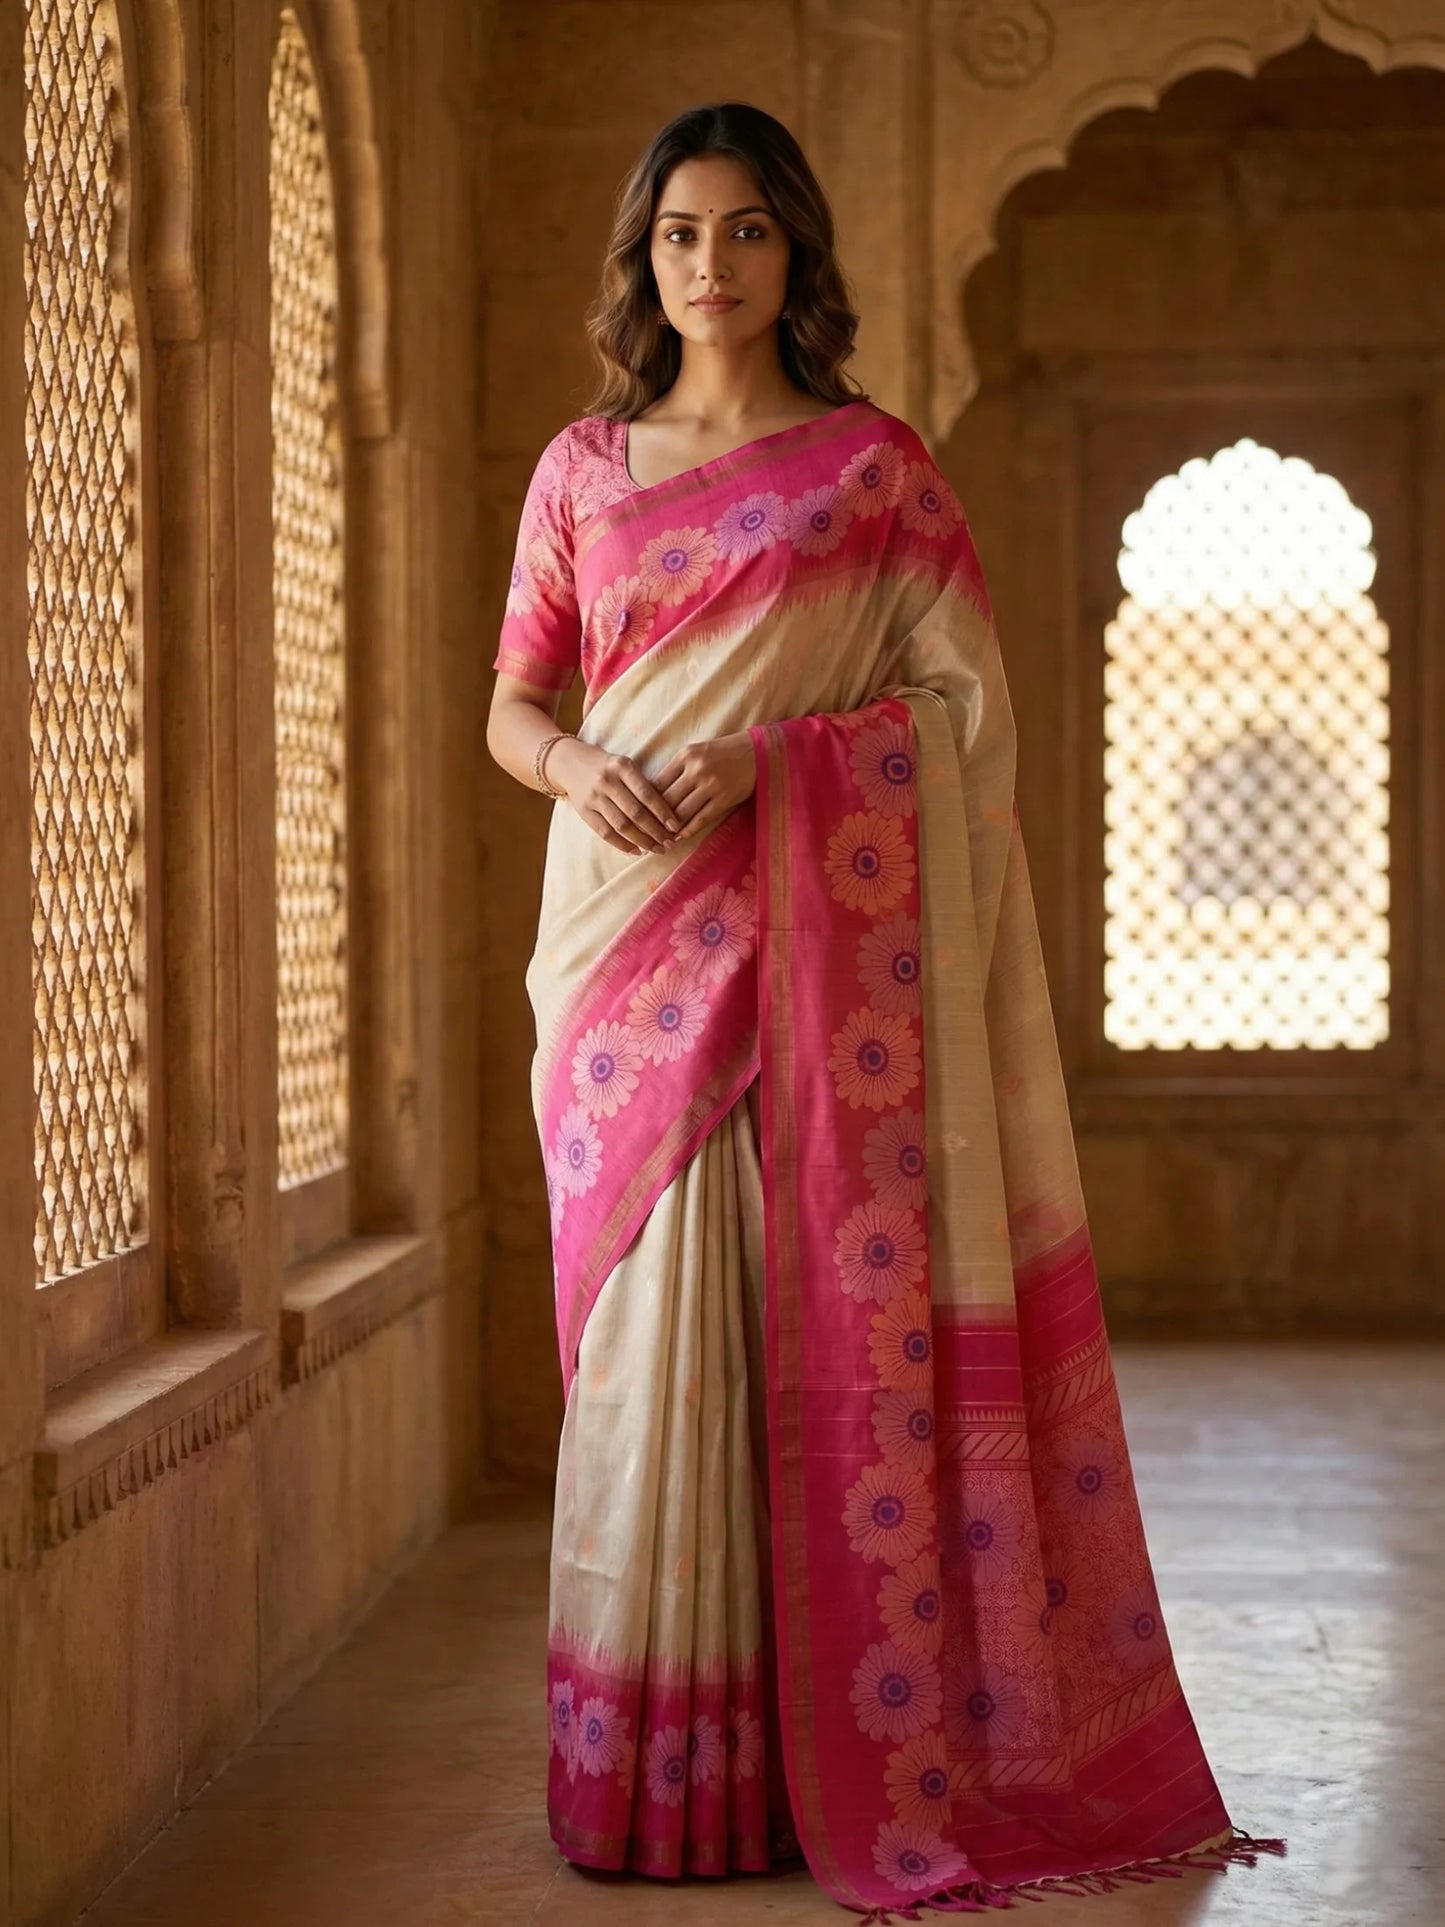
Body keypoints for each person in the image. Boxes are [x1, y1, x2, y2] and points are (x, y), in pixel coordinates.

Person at [485, 99, 1283, 1922]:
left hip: (805, 972)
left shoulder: (872, 473)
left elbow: (962, 724)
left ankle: (804, 1759)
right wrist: (574, 775)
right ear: (643, 258)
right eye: (681, 234)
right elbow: (515, 703)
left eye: (746, 232)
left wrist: (774, 766)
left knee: (792, 1332)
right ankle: (648, 1771)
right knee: (643, 1355)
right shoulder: (581, 474)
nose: (711, 264)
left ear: (796, 254)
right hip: (622, 959)